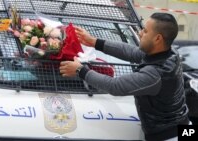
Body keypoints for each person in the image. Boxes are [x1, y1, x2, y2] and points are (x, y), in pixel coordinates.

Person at [59, 13, 190, 141]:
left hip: (169, 136)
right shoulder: (168, 53)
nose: (140, 33)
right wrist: (94, 42)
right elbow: (131, 51)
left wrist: (80, 70)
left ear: (158, 39)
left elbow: (115, 86)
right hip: (183, 130)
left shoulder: (156, 73)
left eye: (145, 31)